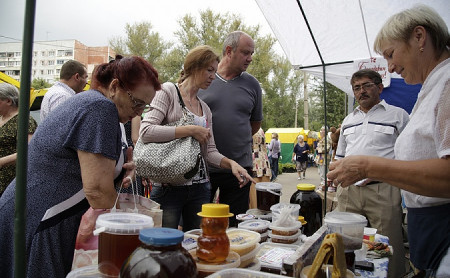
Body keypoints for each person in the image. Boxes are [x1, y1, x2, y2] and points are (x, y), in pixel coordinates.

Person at [0, 55, 161, 277]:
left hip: (32, 212)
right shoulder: (100, 108)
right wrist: (139, 228)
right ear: (115, 87)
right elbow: (97, 191)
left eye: (145, 105)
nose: (139, 112)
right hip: (42, 218)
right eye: (137, 102)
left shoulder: (94, 104)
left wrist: (122, 167)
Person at [328, 5, 450, 276]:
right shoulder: (431, 86)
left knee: (388, 251)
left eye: (391, 54)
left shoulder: (446, 83)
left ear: (419, 37)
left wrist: (368, 167)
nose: (391, 67)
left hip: (438, 224)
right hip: (425, 223)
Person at [139, 45, 254, 232]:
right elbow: (146, 131)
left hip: (200, 189)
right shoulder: (168, 92)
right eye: (209, 70)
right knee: (163, 244)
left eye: (215, 72)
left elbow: (210, 152)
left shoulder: (205, 109)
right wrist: (190, 130)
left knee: (195, 243)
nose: (212, 76)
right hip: (169, 187)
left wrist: (231, 164)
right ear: (193, 67)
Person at [334, 69, 409, 278]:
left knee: (386, 244)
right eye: (356, 88)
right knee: (347, 241)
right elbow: (340, 157)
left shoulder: (398, 115)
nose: (361, 91)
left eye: (367, 85)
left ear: (380, 87)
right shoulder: (348, 120)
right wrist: (333, 181)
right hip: (349, 191)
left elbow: (410, 154)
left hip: (383, 190)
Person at [198, 31, 263, 227]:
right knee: (199, 223)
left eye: (252, 53)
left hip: (239, 167)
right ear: (229, 51)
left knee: (235, 226)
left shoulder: (252, 85)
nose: (250, 58)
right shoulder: (204, 79)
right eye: (245, 53)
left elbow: (255, 124)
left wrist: (234, 140)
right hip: (204, 167)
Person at [0, 83, 37, 196]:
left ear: (8, 101)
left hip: (10, 183)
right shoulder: (1, 118)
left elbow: (29, 150)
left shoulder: (24, 120)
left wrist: (1, 162)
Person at [250, 128, 271, 208]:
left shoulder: (247, 127)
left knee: (254, 197)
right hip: (264, 162)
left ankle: (254, 217)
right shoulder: (260, 129)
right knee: (265, 195)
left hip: (253, 161)